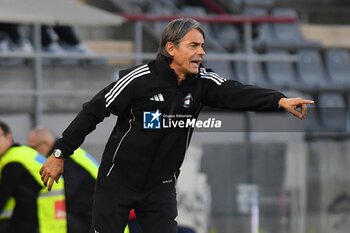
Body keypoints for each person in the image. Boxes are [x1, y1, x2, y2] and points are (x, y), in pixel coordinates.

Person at [39, 18, 314, 233]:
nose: (201, 52)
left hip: (160, 186)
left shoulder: (202, 82)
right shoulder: (138, 80)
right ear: (171, 48)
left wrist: (279, 101)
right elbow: (93, 112)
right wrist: (61, 153)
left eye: (203, 46)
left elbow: (235, 92)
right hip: (117, 182)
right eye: (193, 46)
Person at [28, 126, 99, 233]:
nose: (32, 153)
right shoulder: (68, 152)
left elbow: (66, 192)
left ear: (46, 144)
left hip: (89, 221)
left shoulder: (61, 159)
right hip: (93, 218)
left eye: (33, 148)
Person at [0, 121, 67, 233]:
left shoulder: (12, 162)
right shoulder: (24, 153)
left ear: (9, 137)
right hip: (52, 221)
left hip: (35, 221)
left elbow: (2, 197)